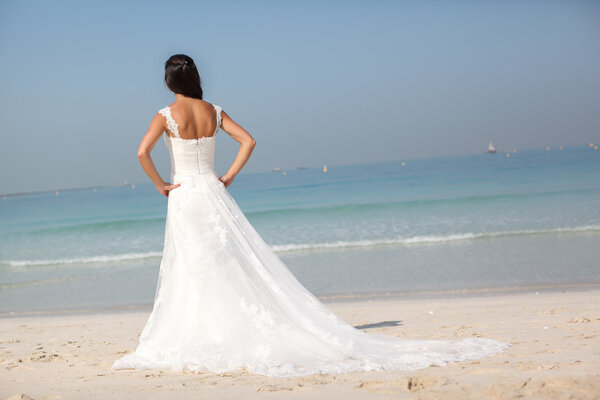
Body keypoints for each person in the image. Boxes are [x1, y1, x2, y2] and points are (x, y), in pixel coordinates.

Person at [111, 54, 510, 377]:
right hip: (213, 193)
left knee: (193, 265)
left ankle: (205, 328)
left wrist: (161, 185)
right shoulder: (213, 111)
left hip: (184, 195)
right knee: (227, 261)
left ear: (168, 83)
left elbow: (142, 153)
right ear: (194, 78)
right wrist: (228, 176)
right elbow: (248, 140)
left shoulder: (165, 115)